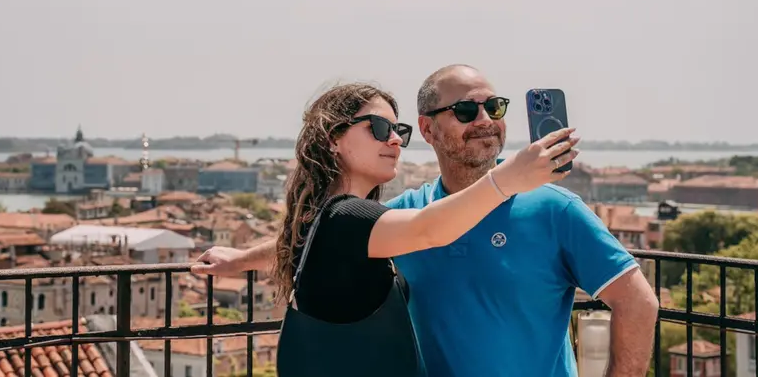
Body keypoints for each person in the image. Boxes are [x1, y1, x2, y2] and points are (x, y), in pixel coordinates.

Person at [193, 67, 658, 376]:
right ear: (430, 128)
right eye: (464, 110)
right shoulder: (410, 214)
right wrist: (512, 177)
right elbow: (369, 232)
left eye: (494, 108)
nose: (484, 120)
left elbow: (638, 302)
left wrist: (238, 258)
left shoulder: (555, 208)